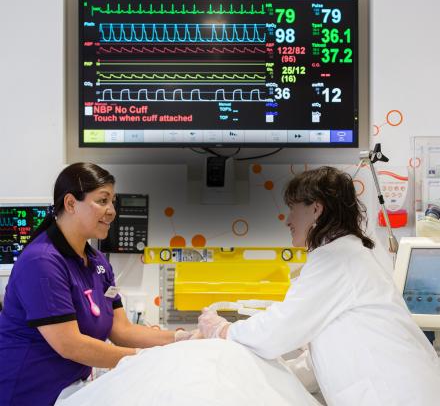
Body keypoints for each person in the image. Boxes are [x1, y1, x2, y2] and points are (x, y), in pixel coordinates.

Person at [198, 166, 440, 406]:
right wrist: (270, 377)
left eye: (293, 209)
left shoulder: (337, 259)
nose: (288, 220)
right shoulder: (346, 255)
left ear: (316, 208)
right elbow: (323, 353)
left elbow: (278, 330)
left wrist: (223, 331)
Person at [0, 163, 193, 405]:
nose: (112, 211)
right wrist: (142, 358)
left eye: (112, 201)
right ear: (71, 204)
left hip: (70, 391)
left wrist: (181, 339)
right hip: (29, 393)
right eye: (102, 201)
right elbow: (70, 344)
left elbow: (122, 330)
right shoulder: (42, 262)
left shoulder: (97, 262)